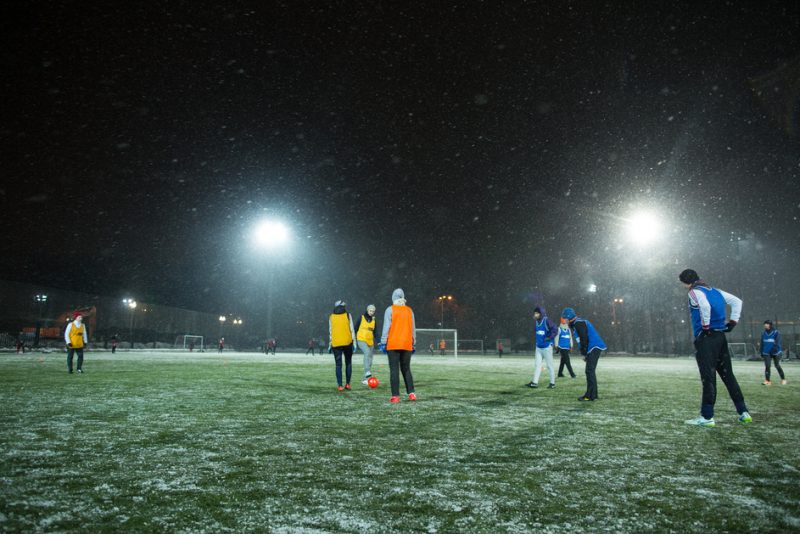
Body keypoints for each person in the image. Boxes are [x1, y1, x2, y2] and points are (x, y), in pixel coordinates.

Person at [679, 269, 751, 427]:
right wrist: (732, 322)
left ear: (686, 282)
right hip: (720, 337)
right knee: (728, 376)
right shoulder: (716, 291)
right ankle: (743, 412)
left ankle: (707, 417)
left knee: (708, 378)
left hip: (706, 339)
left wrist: (705, 327)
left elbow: (704, 306)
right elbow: (737, 301)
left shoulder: (694, 292)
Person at [379, 288, 417, 403]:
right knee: (406, 369)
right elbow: (413, 329)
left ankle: (395, 396)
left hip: (393, 343)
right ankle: (411, 393)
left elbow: (386, 327)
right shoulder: (409, 310)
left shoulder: (390, 310)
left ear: (393, 298)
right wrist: (413, 343)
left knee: (394, 370)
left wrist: (383, 342)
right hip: (406, 344)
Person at [561, 307, 606, 401]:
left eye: (565, 318)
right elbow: (582, 339)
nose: (564, 320)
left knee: (589, 371)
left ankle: (590, 395)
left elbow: (584, 339)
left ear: (569, 317)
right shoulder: (576, 323)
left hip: (593, 347)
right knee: (590, 371)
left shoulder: (578, 323)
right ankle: (593, 394)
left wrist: (584, 353)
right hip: (594, 347)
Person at [527, 306, 558, 389]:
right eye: (535, 313)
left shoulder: (546, 321)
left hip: (547, 347)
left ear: (541, 314)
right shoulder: (537, 322)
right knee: (537, 365)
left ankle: (552, 383)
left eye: (537, 313)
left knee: (549, 366)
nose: (535, 315)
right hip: (538, 348)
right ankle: (534, 382)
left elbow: (555, 329)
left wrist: (550, 337)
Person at [329, 300, 356, 391]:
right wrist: (354, 343)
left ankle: (340, 385)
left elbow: (331, 331)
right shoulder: (348, 315)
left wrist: (330, 343)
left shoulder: (331, 317)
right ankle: (348, 384)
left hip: (336, 343)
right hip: (347, 342)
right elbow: (351, 329)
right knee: (348, 363)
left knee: (338, 365)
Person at [354, 304, 377, 385]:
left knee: (370, 359)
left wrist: (379, 341)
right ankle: (367, 371)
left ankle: (364, 379)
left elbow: (375, 332)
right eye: (370, 311)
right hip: (361, 339)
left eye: (373, 311)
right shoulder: (361, 317)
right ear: (367, 310)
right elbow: (355, 328)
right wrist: (353, 339)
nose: (372, 312)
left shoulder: (374, 320)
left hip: (370, 341)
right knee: (367, 353)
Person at [760, 320, 787, 386]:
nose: (765, 325)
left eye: (766, 324)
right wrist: (761, 352)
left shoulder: (776, 332)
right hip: (766, 353)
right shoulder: (763, 333)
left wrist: (773, 350)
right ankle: (767, 381)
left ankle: (783, 379)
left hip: (776, 352)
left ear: (770, 325)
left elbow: (777, 342)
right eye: (764, 324)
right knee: (767, 366)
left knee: (777, 365)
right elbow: (762, 343)